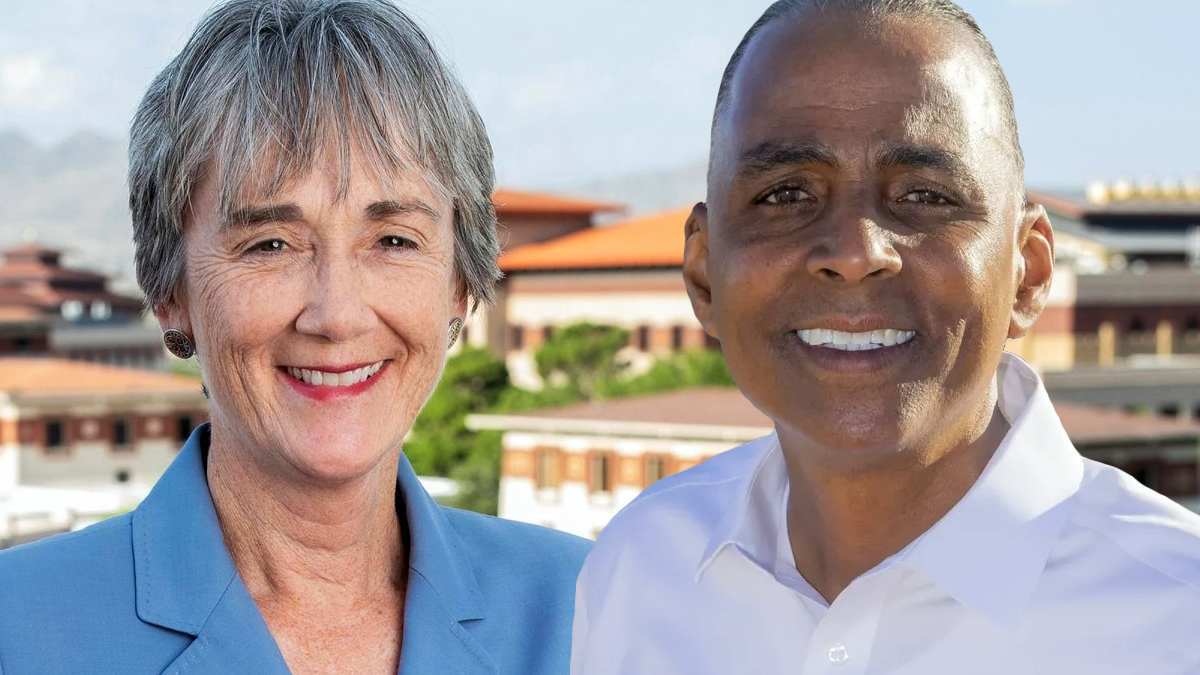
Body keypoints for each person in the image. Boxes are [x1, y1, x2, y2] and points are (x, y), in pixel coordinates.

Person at [571, 1, 1200, 673]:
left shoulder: (1176, 614)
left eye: (925, 195)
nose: (856, 251)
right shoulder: (642, 568)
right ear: (702, 276)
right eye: (785, 194)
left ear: (1028, 272)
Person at [0, 1, 589, 673]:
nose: (337, 315)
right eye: (271, 243)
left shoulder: (588, 611)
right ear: (170, 290)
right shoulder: (14, 630)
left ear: (459, 284)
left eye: (393, 239)